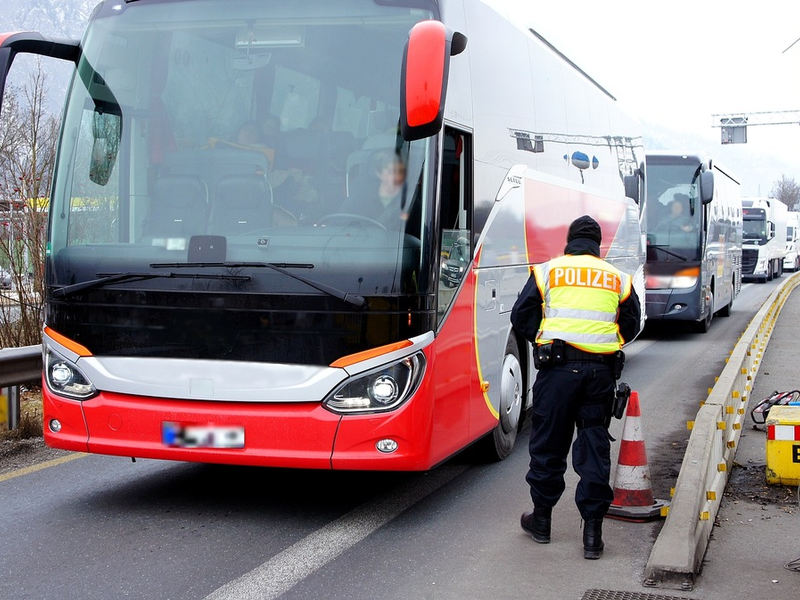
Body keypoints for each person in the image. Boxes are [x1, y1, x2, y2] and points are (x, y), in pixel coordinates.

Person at [510, 215, 641, 560]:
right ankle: (593, 534)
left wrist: (545, 341)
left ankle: (541, 521)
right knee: (594, 446)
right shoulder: (618, 278)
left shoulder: (548, 271)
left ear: (569, 241)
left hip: (557, 371)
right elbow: (632, 324)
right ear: (598, 245)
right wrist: (604, 343)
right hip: (599, 375)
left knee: (548, 445)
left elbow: (521, 316)